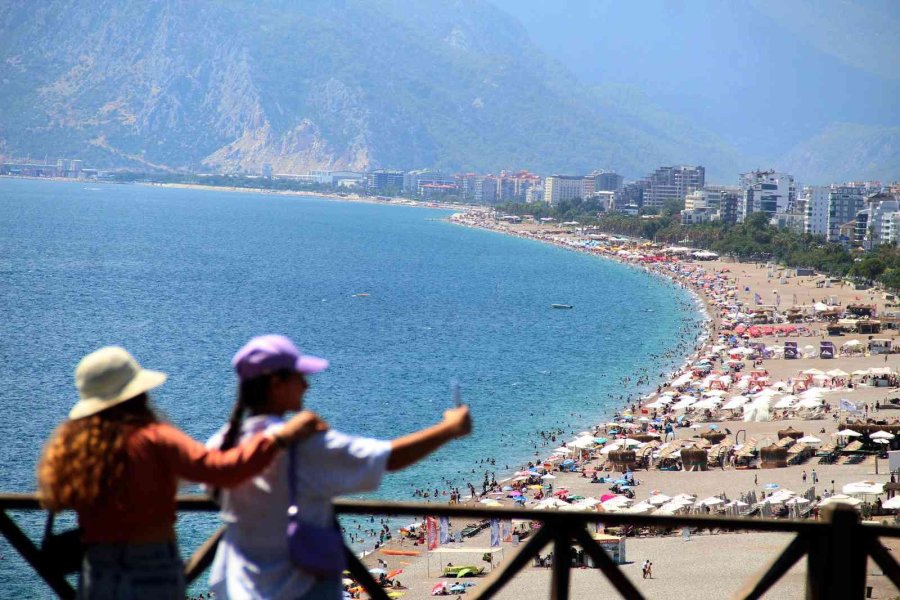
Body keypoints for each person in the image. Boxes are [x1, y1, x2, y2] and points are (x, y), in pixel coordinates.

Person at [36, 346, 325, 600]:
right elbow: (221, 471)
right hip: (151, 566)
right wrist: (279, 438)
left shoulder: (74, 446)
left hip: (97, 567)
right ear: (138, 393)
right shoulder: (153, 438)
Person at [207, 335, 473, 599]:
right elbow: (387, 459)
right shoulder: (306, 446)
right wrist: (449, 429)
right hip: (299, 586)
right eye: (299, 377)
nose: (306, 385)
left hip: (240, 586)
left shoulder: (219, 444)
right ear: (276, 383)